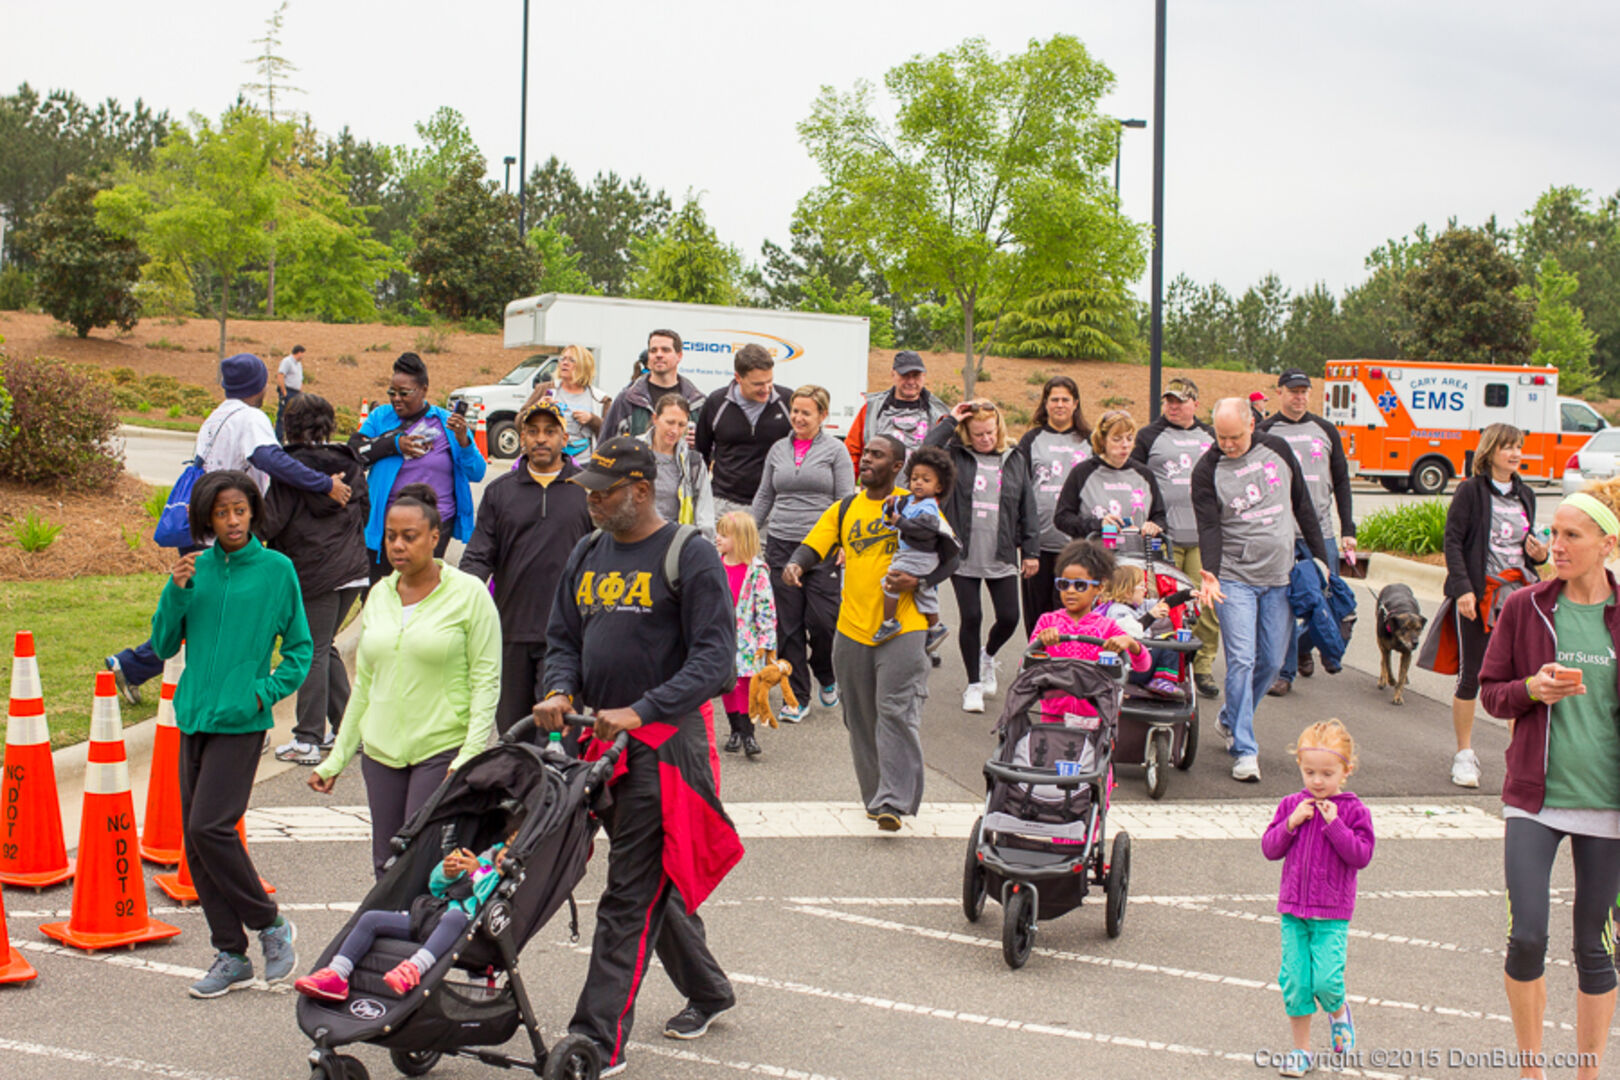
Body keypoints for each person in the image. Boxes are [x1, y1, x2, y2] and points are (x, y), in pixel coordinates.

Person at [533, 435, 742, 1075]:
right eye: (589, 492)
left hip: (663, 752)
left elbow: (716, 662)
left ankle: (596, 1040)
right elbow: (563, 638)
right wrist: (559, 688)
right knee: (649, 881)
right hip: (596, 743)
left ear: (642, 490)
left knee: (628, 895)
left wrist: (644, 708)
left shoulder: (689, 554)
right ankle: (708, 988)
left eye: (604, 493)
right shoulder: (588, 551)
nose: (592, 502)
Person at [149, 470, 312, 998]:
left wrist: (262, 693)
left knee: (211, 827)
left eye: (240, 510)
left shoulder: (276, 570)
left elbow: (301, 650)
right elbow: (162, 644)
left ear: (253, 512)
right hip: (194, 717)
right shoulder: (194, 571)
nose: (233, 521)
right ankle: (231, 954)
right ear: (208, 519)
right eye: (222, 513)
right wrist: (175, 593)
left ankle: (270, 924)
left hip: (242, 721)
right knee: (196, 844)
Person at [106, 353, 348, 704]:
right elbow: (269, 458)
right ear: (259, 385)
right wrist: (323, 483)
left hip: (203, 527)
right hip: (222, 536)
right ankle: (133, 666)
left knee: (201, 612)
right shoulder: (250, 417)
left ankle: (132, 666)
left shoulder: (216, 417)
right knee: (211, 615)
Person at [1479, 478, 1620, 1080]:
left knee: (1596, 946)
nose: (1555, 545)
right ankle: (1530, 1069)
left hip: (1608, 806)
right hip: (1534, 801)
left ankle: (1589, 1073)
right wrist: (1531, 689)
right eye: (1553, 533)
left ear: (1606, 545)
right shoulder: (1525, 606)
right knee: (1528, 937)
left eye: (1571, 536)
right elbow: (1491, 692)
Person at [308, 486, 501, 878]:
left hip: (441, 749)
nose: (398, 545)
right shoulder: (379, 595)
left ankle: (424, 920)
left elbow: (486, 679)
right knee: (386, 862)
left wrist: (469, 752)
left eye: (409, 536)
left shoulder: (469, 594)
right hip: (381, 751)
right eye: (391, 536)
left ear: (434, 537)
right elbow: (364, 685)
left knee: (421, 860)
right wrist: (337, 758)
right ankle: (389, 919)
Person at [784, 435, 958, 831]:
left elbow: (951, 557)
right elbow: (814, 545)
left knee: (895, 712)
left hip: (904, 627)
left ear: (897, 466)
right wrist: (796, 564)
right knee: (860, 718)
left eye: (877, 456)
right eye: (865, 454)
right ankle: (877, 797)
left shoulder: (916, 504)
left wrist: (920, 581)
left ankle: (894, 801)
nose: (866, 460)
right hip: (852, 628)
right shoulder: (845, 508)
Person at [1190, 398, 1328, 783]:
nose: (1228, 445)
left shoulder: (1278, 449)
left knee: (1271, 660)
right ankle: (1245, 748)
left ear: (1252, 424)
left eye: (1234, 436)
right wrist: (1211, 573)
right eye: (1221, 437)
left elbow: (1302, 505)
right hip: (1234, 576)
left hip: (1280, 576)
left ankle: (1231, 716)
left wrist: (1321, 559)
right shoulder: (1207, 469)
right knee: (1241, 659)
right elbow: (1209, 527)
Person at [1420, 424, 1546, 789]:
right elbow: (1453, 541)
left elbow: (1529, 550)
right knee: (1471, 675)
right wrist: (1463, 589)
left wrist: (1540, 554)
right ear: (1489, 452)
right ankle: (1464, 754)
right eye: (1508, 447)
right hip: (1480, 595)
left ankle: (1520, 756)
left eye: (1519, 447)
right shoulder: (1470, 491)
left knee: (1521, 677)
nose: (1516, 453)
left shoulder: (1526, 494)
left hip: (1518, 596)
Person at [459, 401, 593, 734]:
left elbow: (605, 556)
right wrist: (458, 600)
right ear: (522, 438)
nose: (541, 439)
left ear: (565, 438)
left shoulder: (588, 490)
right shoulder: (499, 492)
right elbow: (478, 556)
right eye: (532, 431)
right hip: (510, 633)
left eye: (550, 431)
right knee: (513, 736)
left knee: (560, 739)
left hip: (567, 638)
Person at [296, 809, 527, 1001]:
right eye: (506, 844)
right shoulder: (484, 860)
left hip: (468, 931)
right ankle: (337, 973)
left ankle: (414, 969)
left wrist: (478, 872)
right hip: (431, 917)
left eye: (512, 850)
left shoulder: (510, 881)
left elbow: (490, 899)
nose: (504, 853)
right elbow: (437, 889)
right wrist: (447, 873)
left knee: (454, 917)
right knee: (371, 919)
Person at [1260, 720, 1376, 1078]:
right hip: (1293, 911)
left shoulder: (1354, 811)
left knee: (1327, 981)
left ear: (1346, 770)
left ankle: (1338, 1011)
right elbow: (1270, 848)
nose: (1318, 781)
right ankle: (1301, 1051)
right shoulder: (1292, 804)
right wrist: (1290, 823)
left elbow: (1361, 855)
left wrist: (1335, 825)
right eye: (1310, 772)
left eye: (1327, 773)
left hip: (1332, 914)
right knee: (1295, 982)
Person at [261, 394, 371, 765]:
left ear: (289, 426)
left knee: (310, 650)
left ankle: (306, 738)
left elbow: (270, 523)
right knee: (325, 647)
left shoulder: (290, 470)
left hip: (314, 572)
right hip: (353, 569)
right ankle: (347, 729)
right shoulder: (349, 462)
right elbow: (365, 511)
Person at [924, 401, 1039, 714]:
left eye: (990, 432)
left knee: (1009, 617)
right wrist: (951, 421)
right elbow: (926, 451)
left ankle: (988, 656)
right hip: (964, 554)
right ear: (967, 434)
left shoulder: (1014, 458)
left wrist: (1031, 550)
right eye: (977, 434)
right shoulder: (955, 456)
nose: (985, 439)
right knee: (971, 616)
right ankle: (973, 684)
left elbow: (1027, 506)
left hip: (1001, 552)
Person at [752, 384, 853, 720]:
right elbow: (765, 495)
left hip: (821, 547)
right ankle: (797, 697)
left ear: (822, 415)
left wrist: (844, 543)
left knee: (823, 622)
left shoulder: (836, 451)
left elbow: (845, 501)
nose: (798, 418)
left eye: (806, 412)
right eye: (795, 411)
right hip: (780, 542)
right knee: (788, 625)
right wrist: (748, 533)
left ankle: (825, 672)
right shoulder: (778, 449)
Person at [1258, 369, 1359, 698]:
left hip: (1321, 532)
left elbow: (1341, 480)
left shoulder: (1325, 430)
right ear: (1280, 393)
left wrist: (1348, 529)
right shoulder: (1265, 431)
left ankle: (1304, 647)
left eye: (1304, 391)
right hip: (1282, 533)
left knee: (1328, 601)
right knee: (1285, 604)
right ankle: (1284, 673)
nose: (1299, 397)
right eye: (1293, 391)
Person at [350, 353, 488, 583]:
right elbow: (354, 453)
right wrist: (394, 445)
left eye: (404, 393)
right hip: (386, 525)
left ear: (424, 390)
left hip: (434, 526)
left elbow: (477, 472)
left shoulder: (446, 423)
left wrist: (464, 441)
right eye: (392, 392)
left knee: (422, 591)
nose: (396, 399)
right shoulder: (381, 417)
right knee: (380, 591)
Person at [1130, 376, 1220, 699]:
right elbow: (1135, 479)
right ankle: (1167, 666)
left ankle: (1203, 666)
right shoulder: (1149, 436)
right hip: (1164, 537)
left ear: (1195, 403)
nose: (1173, 406)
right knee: (1165, 605)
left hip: (1202, 536)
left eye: (1180, 401)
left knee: (1204, 603)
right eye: (1169, 400)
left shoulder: (1210, 436)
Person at [1030, 539, 1152, 723]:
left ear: (1099, 587)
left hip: (1095, 719)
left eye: (1080, 585)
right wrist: (1040, 645)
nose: (1070, 591)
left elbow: (1143, 666)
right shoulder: (1048, 621)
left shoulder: (1107, 626)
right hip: (1052, 718)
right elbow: (1026, 665)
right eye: (1064, 584)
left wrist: (1131, 644)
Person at [1015, 376, 1092, 636]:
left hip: (1076, 545)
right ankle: (1036, 657)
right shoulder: (1031, 440)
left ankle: (1067, 658)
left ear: (1075, 403)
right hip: (1039, 544)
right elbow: (1018, 490)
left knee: (1071, 613)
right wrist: (1023, 538)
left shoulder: (1090, 441)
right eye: (1054, 399)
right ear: (1045, 403)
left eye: (1065, 400)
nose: (1060, 405)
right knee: (1038, 614)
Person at [693, 343, 794, 522]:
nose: (766, 389)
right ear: (738, 378)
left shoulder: (787, 401)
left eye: (769, 381)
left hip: (773, 505)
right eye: (758, 384)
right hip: (724, 504)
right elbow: (701, 454)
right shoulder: (716, 402)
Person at [874, 447, 955, 649]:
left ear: (939, 487)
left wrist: (900, 521)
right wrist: (890, 507)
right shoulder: (909, 500)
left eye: (926, 480)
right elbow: (892, 518)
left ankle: (889, 622)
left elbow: (922, 530)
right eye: (914, 478)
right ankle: (936, 627)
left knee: (890, 582)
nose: (918, 483)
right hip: (912, 553)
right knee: (924, 593)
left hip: (921, 555)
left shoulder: (929, 507)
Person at [1055, 409, 1168, 543]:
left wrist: (1154, 526)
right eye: (1117, 439)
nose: (1125, 445)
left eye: (1129, 438)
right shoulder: (1082, 473)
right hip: (1095, 552)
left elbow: (1159, 517)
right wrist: (1098, 524)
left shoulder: (1145, 474)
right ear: (1103, 440)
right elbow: (1062, 518)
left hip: (1137, 553)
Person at [716, 511, 776, 758]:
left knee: (746, 685)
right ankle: (734, 730)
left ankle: (748, 733)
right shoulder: (715, 565)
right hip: (721, 636)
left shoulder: (757, 571)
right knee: (727, 684)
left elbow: (766, 609)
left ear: (740, 539)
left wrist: (767, 642)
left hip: (748, 639)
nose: (718, 538)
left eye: (724, 535)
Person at [842, 350, 951, 467]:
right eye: (905, 375)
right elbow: (852, 452)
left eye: (916, 376)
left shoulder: (939, 413)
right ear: (893, 374)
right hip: (878, 479)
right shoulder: (872, 409)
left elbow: (948, 459)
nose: (911, 382)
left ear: (924, 376)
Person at [600, 329, 706, 439]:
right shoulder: (627, 400)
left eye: (665, 350)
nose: (659, 355)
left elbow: (711, 446)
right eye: (653, 350)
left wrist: (698, 444)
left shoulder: (697, 403)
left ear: (679, 356)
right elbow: (605, 444)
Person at [1097, 565, 1181, 696]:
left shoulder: (1139, 605)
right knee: (1169, 644)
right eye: (1142, 586)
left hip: (1136, 662)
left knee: (1166, 639)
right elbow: (1130, 633)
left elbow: (1165, 602)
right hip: (1127, 666)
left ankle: (1161, 679)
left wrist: (1188, 594)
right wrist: (1151, 616)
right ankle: (1162, 680)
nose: (1145, 590)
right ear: (1128, 592)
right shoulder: (1117, 610)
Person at [526, 344, 612, 464]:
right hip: (548, 463)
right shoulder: (545, 390)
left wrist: (592, 420)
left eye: (571, 360)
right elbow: (519, 423)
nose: (565, 363)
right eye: (563, 359)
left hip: (584, 465)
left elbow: (610, 435)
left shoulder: (600, 399)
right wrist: (536, 408)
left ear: (584, 366)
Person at [647, 393, 716, 541]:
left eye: (681, 425)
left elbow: (705, 513)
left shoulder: (693, 462)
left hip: (676, 541)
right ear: (655, 419)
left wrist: (703, 546)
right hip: (638, 538)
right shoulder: (633, 451)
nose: (675, 430)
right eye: (670, 422)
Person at [274, 344, 305, 443]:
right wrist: (284, 392)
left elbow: (299, 379)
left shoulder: (299, 365)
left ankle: (292, 438)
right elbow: (280, 375)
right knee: (283, 415)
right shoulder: (287, 361)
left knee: (294, 416)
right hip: (288, 391)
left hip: (296, 392)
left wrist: (301, 392)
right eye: (302, 353)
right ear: (299, 352)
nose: (303, 356)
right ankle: (279, 438)